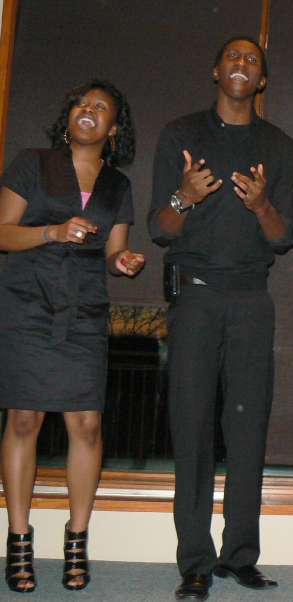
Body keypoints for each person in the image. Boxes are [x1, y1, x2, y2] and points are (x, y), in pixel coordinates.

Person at [148, 36, 293, 601]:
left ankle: (240, 556)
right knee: (191, 429)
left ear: (262, 80)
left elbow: (284, 239)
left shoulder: (277, 146)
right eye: (232, 56)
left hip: (252, 301)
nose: (242, 64)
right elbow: (159, 228)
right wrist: (184, 196)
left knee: (247, 430)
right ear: (216, 71)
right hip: (195, 300)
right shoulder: (180, 134)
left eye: (252, 60)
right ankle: (194, 561)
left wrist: (261, 205)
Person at [0, 79, 144, 593]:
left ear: (114, 128)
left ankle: (77, 540)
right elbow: (2, 231)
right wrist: (52, 232)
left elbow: (113, 250)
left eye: (100, 107)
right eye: (81, 103)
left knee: (86, 424)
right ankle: (19, 539)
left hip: (83, 309)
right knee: (24, 419)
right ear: (68, 117)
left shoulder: (117, 186)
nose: (88, 109)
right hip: (27, 302)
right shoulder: (32, 162)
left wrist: (122, 260)